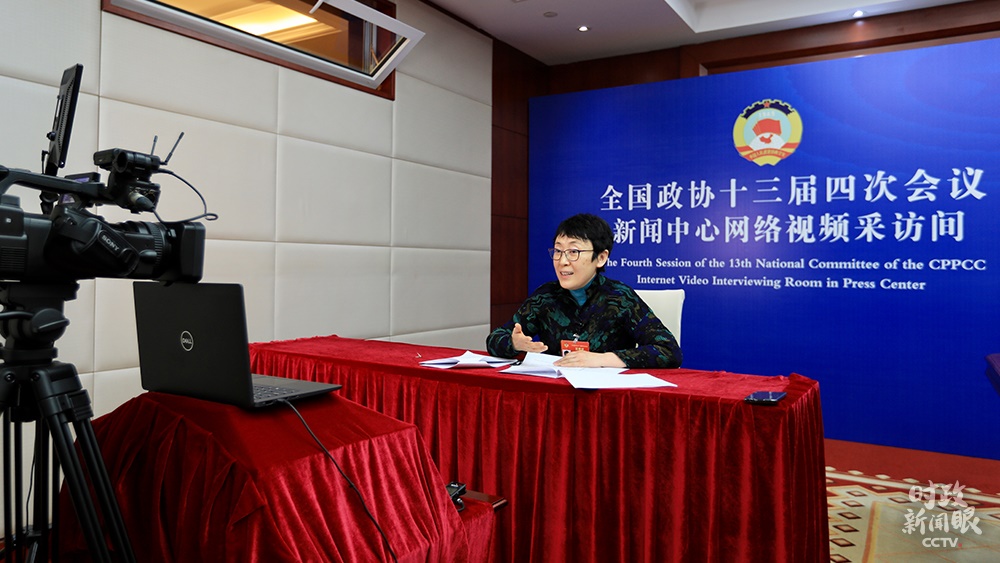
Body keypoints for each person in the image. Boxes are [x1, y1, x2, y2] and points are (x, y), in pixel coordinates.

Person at [487, 213, 682, 369]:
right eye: (558, 251)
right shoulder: (545, 297)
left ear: (601, 258)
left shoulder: (620, 298)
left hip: (606, 397)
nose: (563, 261)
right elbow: (495, 338)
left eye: (574, 252)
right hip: (557, 393)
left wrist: (603, 359)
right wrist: (514, 344)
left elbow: (668, 350)